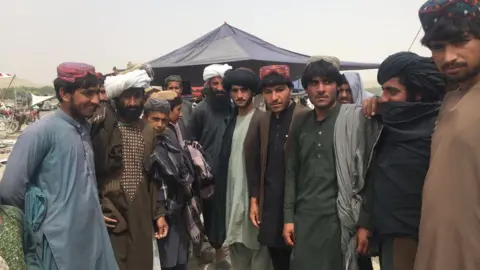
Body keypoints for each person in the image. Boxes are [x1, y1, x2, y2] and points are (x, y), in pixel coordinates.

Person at [0, 62, 118, 270]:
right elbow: (10, 190)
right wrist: (42, 223)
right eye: (88, 93)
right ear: (64, 93)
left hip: (91, 238)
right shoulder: (39, 133)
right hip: (58, 247)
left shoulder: (84, 129)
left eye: (98, 93)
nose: (96, 100)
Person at [283, 57, 382, 270]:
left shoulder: (355, 119)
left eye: (327, 82)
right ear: (306, 88)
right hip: (306, 218)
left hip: (342, 220)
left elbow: (371, 174)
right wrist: (288, 218)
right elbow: (292, 172)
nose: (320, 89)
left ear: (337, 86)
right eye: (314, 83)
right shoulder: (300, 122)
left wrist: (365, 223)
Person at [359, 52, 445, 270]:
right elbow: (374, 177)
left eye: (392, 91)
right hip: (388, 231)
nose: (384, 97)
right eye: (383, 90)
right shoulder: (387, 126)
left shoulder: (440, 128)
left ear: (416, 96)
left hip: (424, 233)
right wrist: (366, 224)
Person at [412, 1, 480, 269]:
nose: (448, 56)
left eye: (460, 40)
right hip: (438, 252)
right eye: (438, 47)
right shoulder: (450, 100)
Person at [101, 68, 165, 270]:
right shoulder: (102, 130)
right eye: (126, 97)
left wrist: (159, 214)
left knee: (141, 260)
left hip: (141, 209)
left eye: (136, 97)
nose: (132, 103)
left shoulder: (148, 131)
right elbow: (89, 173)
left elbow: (153, 178)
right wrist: (95, 206)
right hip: (109, 210)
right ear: (117, 98)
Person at [247, 65, 309, 270]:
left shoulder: (304, 116)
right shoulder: (262, 120)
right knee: (278, 259)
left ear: (290, 89)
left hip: (300, 205)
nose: (274, 97)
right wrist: (254, 198)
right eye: (268, 92)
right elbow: (253, 161)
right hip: (271, 205)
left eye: (279, 90)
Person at [211, 68, 271, 269]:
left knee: (259, 252)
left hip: (253, 200)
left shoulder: (263, 119)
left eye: (244, 90)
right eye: (234, 91)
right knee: (237, 248)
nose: (239, 95)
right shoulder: (230, 120)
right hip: (232, 197)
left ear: (252, 92)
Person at [188, 63, 233, 269]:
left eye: (223, 83)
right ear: (208, 85)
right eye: (215, 83)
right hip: (209, 174)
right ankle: (217, 252)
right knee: (213, 213)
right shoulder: (201, 111)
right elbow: (191, 142)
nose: (220, 87)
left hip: (233, 170)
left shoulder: (234, 107)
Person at [143, 96, 193, 270]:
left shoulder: (167, 138)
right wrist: (159, 214)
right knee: (165, 260)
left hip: (176, 207)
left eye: (164, 120)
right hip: (157, 212)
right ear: (145, 118)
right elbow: (153, 183)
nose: (159, 125)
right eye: (154, 119)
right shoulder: (142, 143)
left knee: (180, 257)